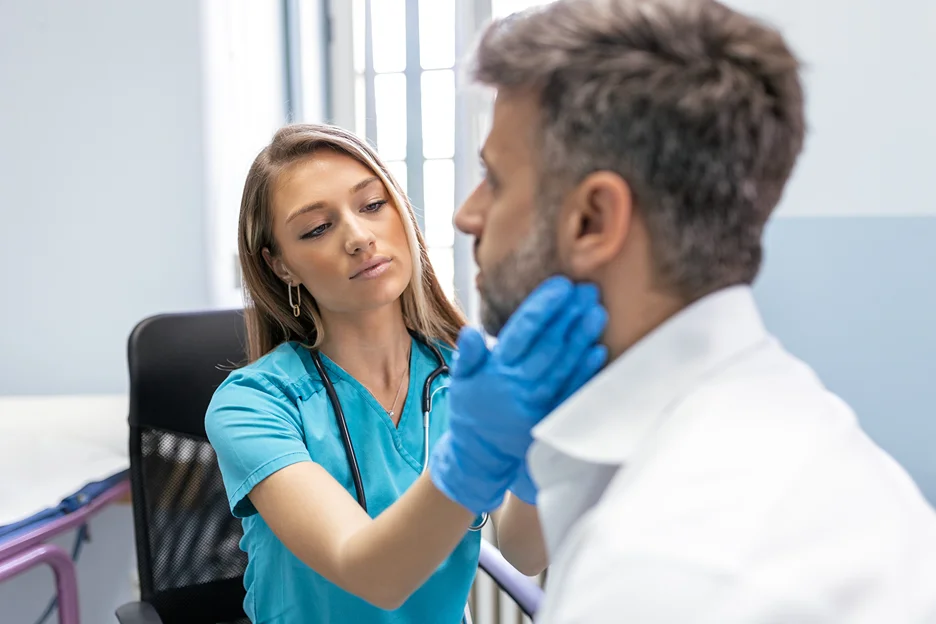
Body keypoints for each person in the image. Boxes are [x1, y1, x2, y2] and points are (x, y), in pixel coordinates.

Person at [447, 0, 936, 621]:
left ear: (593, 220)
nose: (467, 214)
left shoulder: (667, 570)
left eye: (496, 178)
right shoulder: (779, 416)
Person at [204, 123, 606, 623]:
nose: (358, 237)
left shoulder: (466, 375)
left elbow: (526, 553)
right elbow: (372, 575)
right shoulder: (253, 403)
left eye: (372, 205)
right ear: (281, 265)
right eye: (316, 229)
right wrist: (474, 457)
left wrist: (545, 444)